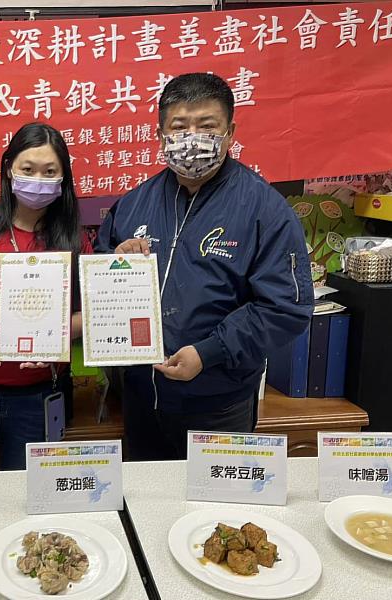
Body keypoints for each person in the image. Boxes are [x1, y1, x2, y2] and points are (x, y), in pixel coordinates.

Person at [95, 73, 314, 460]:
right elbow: (98, 284)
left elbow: (286, 308)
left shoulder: (265, 209)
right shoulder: (132, 205)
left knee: (216, 513)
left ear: (230, 133)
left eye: (207, 126)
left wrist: (210, 351)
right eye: (179, 127)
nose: (191, 138)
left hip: (219, 403)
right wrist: (115, 265)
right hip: (142, 397)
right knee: (148, 505)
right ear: (161, 133)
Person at [0, 122, 92, 472]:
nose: (38, 179)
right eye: (28, 169)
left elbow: (93, 314)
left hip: (37, 395)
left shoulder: (75, 240)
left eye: (50, 171)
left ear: (63, 179)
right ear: (9, 169)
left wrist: (53, 337)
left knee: (27, 497)